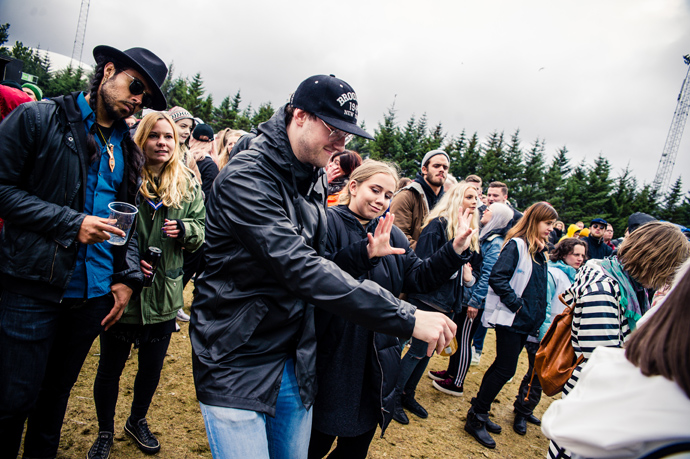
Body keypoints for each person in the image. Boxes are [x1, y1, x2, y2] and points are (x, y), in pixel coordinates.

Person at [189, 74, 456, 459]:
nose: (340, 144)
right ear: (299, 116)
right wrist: (406, 316)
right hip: (237, 354)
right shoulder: (248, 176)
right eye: (333, 130)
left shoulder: (311, 176)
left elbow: (322, 261)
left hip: (294, 356)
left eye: (347, 135)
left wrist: (367, 256)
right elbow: (299, 266)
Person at [0, 45, 167, 458]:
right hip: (31, 288)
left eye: (145, 96)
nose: (138, 99)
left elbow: (125, 224)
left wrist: (126, 277)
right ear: (108, 71)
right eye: (135, 86)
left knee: (54, 401)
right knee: (12, 401)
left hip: (92, 297)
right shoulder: (38, 118)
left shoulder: (127, 147)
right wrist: (70, 223)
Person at [310, 161, 475, 458]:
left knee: (356, 444)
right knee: (314, 442)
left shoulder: (392, 233)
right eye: (375, 190)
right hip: (333, 353)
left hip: (376, 355)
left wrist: (454, 250)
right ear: (353, 186)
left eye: (388, 195)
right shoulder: (327, 222)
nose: (381, 200)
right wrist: (365, 254)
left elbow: (419, 277)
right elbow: (319, 279)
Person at [87, 112, 205, 457]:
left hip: (164, 293)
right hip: (124, 292)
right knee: (110, 367)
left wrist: (185, 230)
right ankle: (104, 430)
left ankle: (136, 420)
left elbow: (202, 230)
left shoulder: (187, 183)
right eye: (154, 135)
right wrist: (127, 264)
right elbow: (107, 227)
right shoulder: (124, 176)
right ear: (141, 139)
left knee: (151, 368)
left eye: (169, 137)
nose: (162, 143)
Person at [546, 221, 689, 459]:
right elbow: (599, 356)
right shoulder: (603, 289)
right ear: (657, 262)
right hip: (592, 397)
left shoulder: (630, 287)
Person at [466, 202, 557, 449]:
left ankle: (480, 410)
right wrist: (516, 304)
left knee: (501, 367)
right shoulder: (517, 245)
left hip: (525, 321)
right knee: (505, 370)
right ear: (535, 220)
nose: (551, 228)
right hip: (513, 319)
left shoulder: (538, 251)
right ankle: (476, 416)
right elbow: (497, 277)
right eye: (547, 223)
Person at [397, 182, 480, 414]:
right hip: (428, 300)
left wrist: (468, 278)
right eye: (469, 196)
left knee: (428, 352)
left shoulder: (469, 231)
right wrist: (455, 265)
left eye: (477, 197)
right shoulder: (437, 226)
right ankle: (393, 396)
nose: (475, 201)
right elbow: (423, 266)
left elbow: (472, 270)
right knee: (417, 351)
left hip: (448, 302)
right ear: (456, 198)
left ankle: (407, 394)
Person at [428, 202, 514, 382]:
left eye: (490, 210)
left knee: (465, 340)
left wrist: (475, 301)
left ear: (498, 217)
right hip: (468, 295)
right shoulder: (486, 236)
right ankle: (451, 372)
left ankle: (457, 382)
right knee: (459, 336)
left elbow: (488, 275)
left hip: (474, 300)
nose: (485, 210)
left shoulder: (495, 243)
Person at [512, 238, 587, 436]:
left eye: (582, 255)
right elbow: (544, 304)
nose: (580, 258)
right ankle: (522, 411)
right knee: (536, 374)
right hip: (543, 334)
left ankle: (526, 408)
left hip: (558, 335)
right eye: (576, 254)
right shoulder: (554, 274)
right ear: (564, 253)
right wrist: (544, 336)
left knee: (540, 375)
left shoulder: (577, 276)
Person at [390, 149, 450, 249]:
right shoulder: (406, 196)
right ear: (424, 169)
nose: (441, 170)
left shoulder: (448, 201)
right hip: (413, 257)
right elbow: (398, 236)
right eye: (436, 166)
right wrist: (428, 254)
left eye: (445, 167)